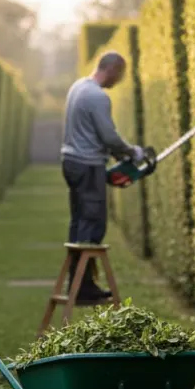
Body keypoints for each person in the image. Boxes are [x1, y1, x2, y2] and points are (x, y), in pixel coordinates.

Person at [60, 51, 145, 303]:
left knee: (79, 222)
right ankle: (83, 289)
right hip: (88, 165)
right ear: (114, 70)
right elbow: (108, 136)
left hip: (71, 162)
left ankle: (77, 284)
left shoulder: (78, 87)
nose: (118, 81)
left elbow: (91, 133)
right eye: (120, 75)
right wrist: (131, 152)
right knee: (94, 223)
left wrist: (119, 156)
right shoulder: (98, 96)